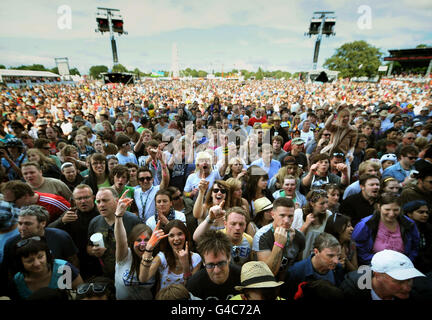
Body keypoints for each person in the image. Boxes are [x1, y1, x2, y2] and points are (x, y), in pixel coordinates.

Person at [47, 184, 102, 280]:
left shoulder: (101, 212)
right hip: (77, 260)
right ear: (73, 201)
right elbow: (48, 230)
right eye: (79, 199)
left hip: (99, 259)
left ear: (93, 197)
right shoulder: (70, 214)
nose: (83, 201)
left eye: (86, 197)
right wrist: (62, 221)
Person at [352, 192, 420, 266]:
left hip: (402, 265)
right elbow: (357, 246)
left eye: (396, 210)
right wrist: (373, 261)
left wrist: (407, 261)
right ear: (379, 207)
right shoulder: (366, 224)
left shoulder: (408, 223)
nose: (391, 214)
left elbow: (415, 245)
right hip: (374, 265)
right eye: (387, 209)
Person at [87, 187, 141, 279]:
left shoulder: (132, 220)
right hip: (106, 275)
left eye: (105, 200)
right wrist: (94, 251)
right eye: (98, 202)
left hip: (130, 274)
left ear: (117, 201)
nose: (101, 205)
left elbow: (143, 245)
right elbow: (88, 247)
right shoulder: (94, 222)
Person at [139, 219, 201, 292]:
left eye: (180, 234)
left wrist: (185, 266)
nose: (176, 239)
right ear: (167, 239)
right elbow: (143, 279)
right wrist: (148, 249)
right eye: (171, 235)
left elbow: (189, 288)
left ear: (186, 235)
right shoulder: (162, 257)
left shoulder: (196, 259)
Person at [113, 191, 155, 300]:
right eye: (138, 240)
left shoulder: (156, 259)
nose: (142, 244)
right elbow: (121, 241)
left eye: (147, 240)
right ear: (132, 242)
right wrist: (118, 216)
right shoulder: (125, 255)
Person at [340, 250, 429, 300]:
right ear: (377, 275)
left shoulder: (420, 291)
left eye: (409, 280)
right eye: (399, 281)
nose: (407, 288)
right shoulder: (351, 293)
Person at [12, 237, 83, 300]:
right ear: (20, 263)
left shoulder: (64, 269)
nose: (37, 263)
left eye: (40, 257)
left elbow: (82, 294)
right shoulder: (18, 280)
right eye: (30, 261)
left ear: (47, 255)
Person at [253, 197, 305, 280]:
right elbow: (268, 273)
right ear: (273, 214)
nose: (287, 220)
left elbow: (298, 265)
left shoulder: (299, 236)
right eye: (282, 215)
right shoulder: (262, 235)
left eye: (290, 216)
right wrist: (279, 244)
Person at [281, 233, 345, 300]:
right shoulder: (295, 272)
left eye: (338, 256)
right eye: (330, 256)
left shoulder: (338, 268)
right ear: (316, 252)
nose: (336, 261)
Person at [186, 229, 241, 300]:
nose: (216, 271)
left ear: (229, 257)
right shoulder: (194, 285)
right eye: (210, 265)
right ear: (203, 262)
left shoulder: (242, 277)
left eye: (221, 263)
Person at [1, 180, 70, 223]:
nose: (9, 205)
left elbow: (74, 216)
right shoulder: (19, 204)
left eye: (12, 202)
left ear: (25, 196)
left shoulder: (54, 202)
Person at [292, 189, 333, 260]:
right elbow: (294, 239)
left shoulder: (328, 214)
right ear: (312, 203)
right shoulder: (299, 213)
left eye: (327, 202)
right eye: (322, 203)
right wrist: (306, 225)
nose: (326, 206)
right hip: (301, 255)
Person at [402, 200, 432, 273]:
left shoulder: (428, 228)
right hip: (407, 264)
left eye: (427, 212)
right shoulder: (402, 228)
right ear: (409, 213)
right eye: (421, 212)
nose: (425, 215)